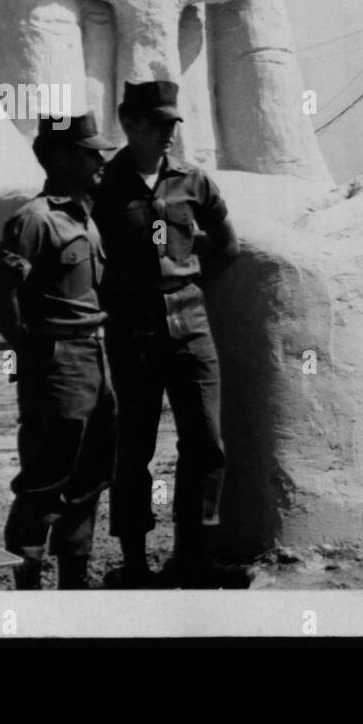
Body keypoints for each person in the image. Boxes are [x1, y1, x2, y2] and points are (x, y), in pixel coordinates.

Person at [93, 80, 240, 588]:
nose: (168, 133)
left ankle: (192, 555)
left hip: (190, 324)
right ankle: (134, 563)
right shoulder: (103, 184)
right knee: (134, 447)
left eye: (173, 123)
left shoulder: (193, 181)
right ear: (129, 123)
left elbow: (226, 244)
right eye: (158, 123)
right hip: (132, 329)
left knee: (205, 441)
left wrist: (187, 281)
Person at [0, 113, 119, 590]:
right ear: (62, 157)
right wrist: (34, 351)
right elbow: (1, 296)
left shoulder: (84, 216)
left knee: (89, 479)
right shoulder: (34, 220)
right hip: (59, 361)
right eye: (90, 152)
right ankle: (27, 589)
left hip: (97, 360)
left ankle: (74, 583)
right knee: (46, 479)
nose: (100, 159)